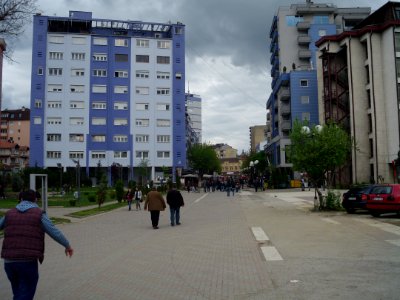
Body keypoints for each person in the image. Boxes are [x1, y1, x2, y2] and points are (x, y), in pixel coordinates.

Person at [0, 189, 74, 300]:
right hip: (27, 261)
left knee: (18, 292)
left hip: (9, 262)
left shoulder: (9, 213)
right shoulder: (39, 214)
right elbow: (54, 231)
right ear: (35, 199)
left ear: (20, 198)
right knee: (25, 294)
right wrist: (67, 245)